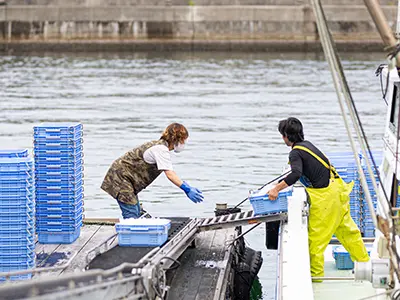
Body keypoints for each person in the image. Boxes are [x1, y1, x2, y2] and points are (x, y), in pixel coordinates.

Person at [267, 117, 369, 279]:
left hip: (325, 198)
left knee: (316, 241)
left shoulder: (295, 152)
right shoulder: (307, 145)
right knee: (349, 233)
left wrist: (276, 189)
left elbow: (296, 174)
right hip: (338, 190)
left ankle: (316, 278)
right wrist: (280, 183)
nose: (282, 138)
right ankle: (365, 264)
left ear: (287, 136)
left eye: (282, 135)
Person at [101, 123, 203, 219]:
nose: (184, 143)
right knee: (132, 215)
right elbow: (170, 174)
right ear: (177, 139)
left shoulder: (159, 146)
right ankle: (129, 236)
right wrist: (187, 189)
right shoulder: (161, 150)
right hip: (120, 178)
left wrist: (187, 187)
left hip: (126, 179)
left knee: (137, 211)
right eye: (183, 140)